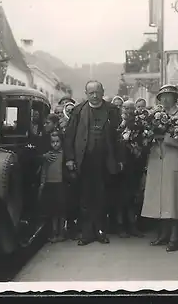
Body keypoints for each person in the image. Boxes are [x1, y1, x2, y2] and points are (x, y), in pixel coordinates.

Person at [63, 80, 125, 246]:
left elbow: (119, 138)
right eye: (91, 93)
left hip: (105, 161)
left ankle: (100, 231)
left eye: (97, 92)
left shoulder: (112, 110)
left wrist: (119, 159)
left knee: (102, 197)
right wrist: (69, 158)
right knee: (84, 198)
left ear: (103, 92)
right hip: (83, 160)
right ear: (86, 94)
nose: (95, 95)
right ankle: (86, 233)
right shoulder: (78, 111)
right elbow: (69, 137)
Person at [141, 85, 178, 252]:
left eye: (169, 96)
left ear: (175, 98)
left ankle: (175, 237)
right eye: (162, 97)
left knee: (173, 198)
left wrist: (165, 137)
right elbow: (146, 135)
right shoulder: (154, 116)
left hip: (173, 159)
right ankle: (162, 234)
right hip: (157, 158)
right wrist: (149, 136)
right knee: (160, 199)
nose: (165, 99)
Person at [112, 99, 145, 238]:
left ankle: (132, 225)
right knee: (120, 198)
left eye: (130, 109)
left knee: (132, 197)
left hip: (134, 165)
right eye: (125, 108)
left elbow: (143, 143)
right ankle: (120, 226)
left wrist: (136, 148)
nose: (127, 111)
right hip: (120, 165)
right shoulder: (116, 124)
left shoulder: (138, 125)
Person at [38, 131, 67, 243]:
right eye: (53, 142)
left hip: (61, 184)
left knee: (61, 209)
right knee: (53, 210)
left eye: (57, 142)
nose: (55, 144)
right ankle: (55, 232)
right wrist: (42, 183)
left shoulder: (64, 154)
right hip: (50, 184)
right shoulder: (48, 155)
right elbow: (44, 171)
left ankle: (62, 231)